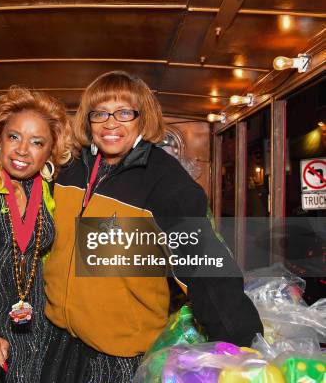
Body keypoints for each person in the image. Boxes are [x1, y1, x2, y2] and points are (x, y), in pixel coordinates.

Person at [41, 71, 263, 382]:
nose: (111, 123)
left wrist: (245, 345)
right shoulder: (70, 169)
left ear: (142, 119)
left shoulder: (165, 181)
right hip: (59, 336)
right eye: (100, 113)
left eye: (124, 113)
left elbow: (204, 265)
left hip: (120, 352)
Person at [0, 87, 74, 382]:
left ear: (50, 151)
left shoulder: (46, 191)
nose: (22, 150)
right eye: (14, 137)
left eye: (37, 142)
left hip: (36, 332)